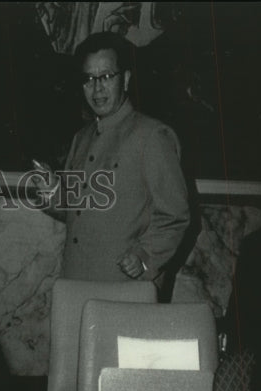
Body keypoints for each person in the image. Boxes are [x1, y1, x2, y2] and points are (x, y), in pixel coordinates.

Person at [37, 31, 190, 288]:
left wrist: (144, 257)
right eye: (88, 79)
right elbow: (79, 214)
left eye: (106, 77)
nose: (97, 88)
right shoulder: (81, 138)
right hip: (75, 283)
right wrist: (53, 192)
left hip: (125, 289)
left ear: (126, 79)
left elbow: (175, 216)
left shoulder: (152, 136)